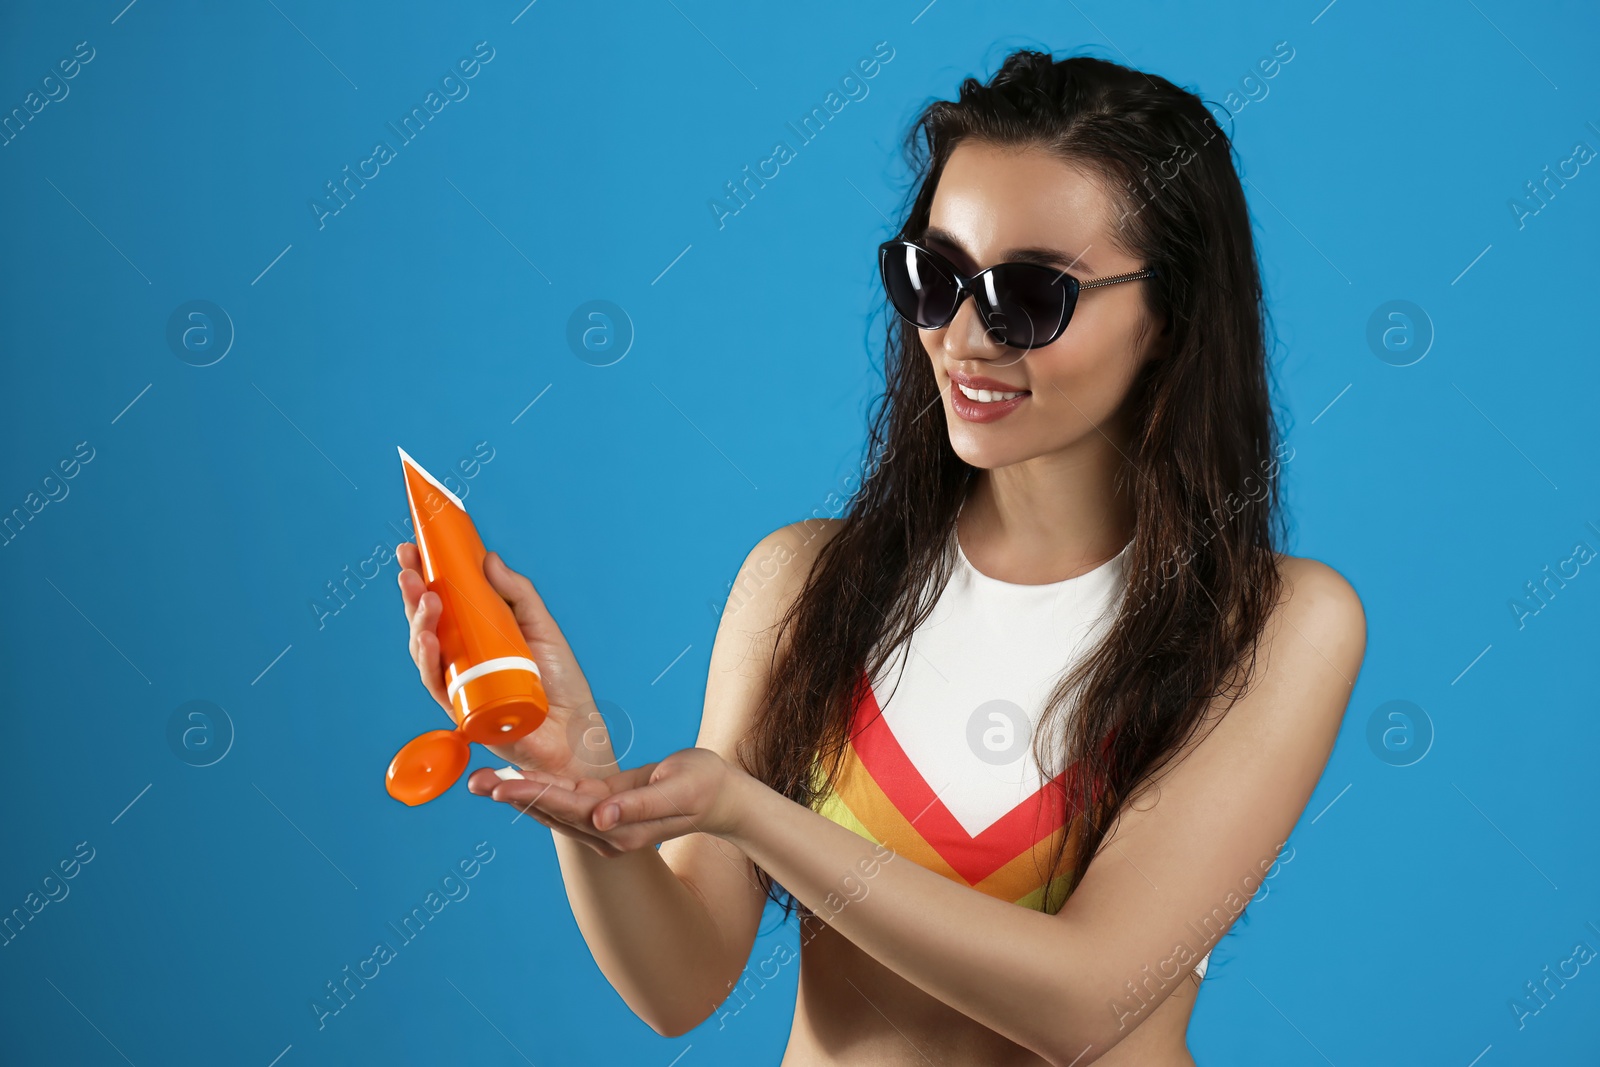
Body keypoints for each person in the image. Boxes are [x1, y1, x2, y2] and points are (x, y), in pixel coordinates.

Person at [396, 48, 1365, 1066]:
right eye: (933, 276)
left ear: (1167, 316)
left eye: (1029, 296)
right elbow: (680, 983)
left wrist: (747, 812)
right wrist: (586, 792)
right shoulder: (806, 580)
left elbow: (1085, 1000)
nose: (961, 336)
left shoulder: (1267, 621)